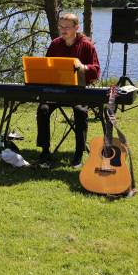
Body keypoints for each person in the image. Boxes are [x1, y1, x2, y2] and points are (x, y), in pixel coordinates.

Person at [36, 13, 100, 169]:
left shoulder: (87, 45)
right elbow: (47, 67)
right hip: (56, 90)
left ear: (76, 27)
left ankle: (78, 153)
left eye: (67, 27)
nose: (63, 30)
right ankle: (45, 151)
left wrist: (82, 67)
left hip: (79, 91)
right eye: (61, 26)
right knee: (43, 109)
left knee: (80, 111)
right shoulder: (55, 44)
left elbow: (96, 71)